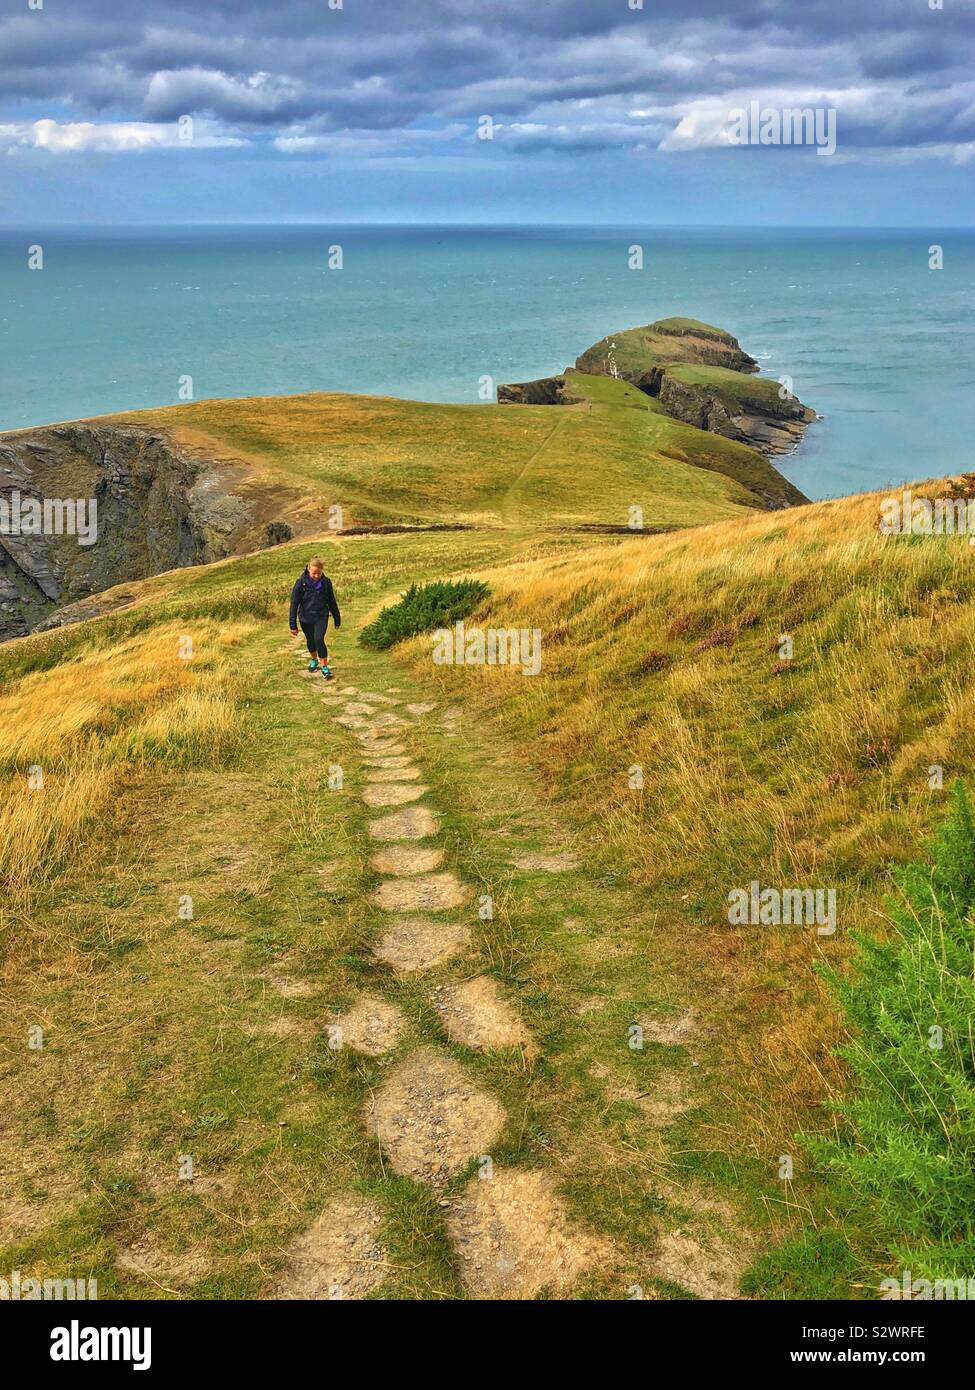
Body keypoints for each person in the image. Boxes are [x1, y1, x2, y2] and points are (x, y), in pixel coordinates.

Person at [289, 557, 341, 679]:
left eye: (319, 573)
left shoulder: (326, 583)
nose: (316, 576)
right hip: (305, 617)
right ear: (308, 570)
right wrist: (293, 624)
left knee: (318, 639)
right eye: (314, 573)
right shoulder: (300, 583)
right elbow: (294, 603)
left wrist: (337, 618)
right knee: (310, 640)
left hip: (321, 616)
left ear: (322, 571)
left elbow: (331, 601)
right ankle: (314, 659)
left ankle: (324, 667)